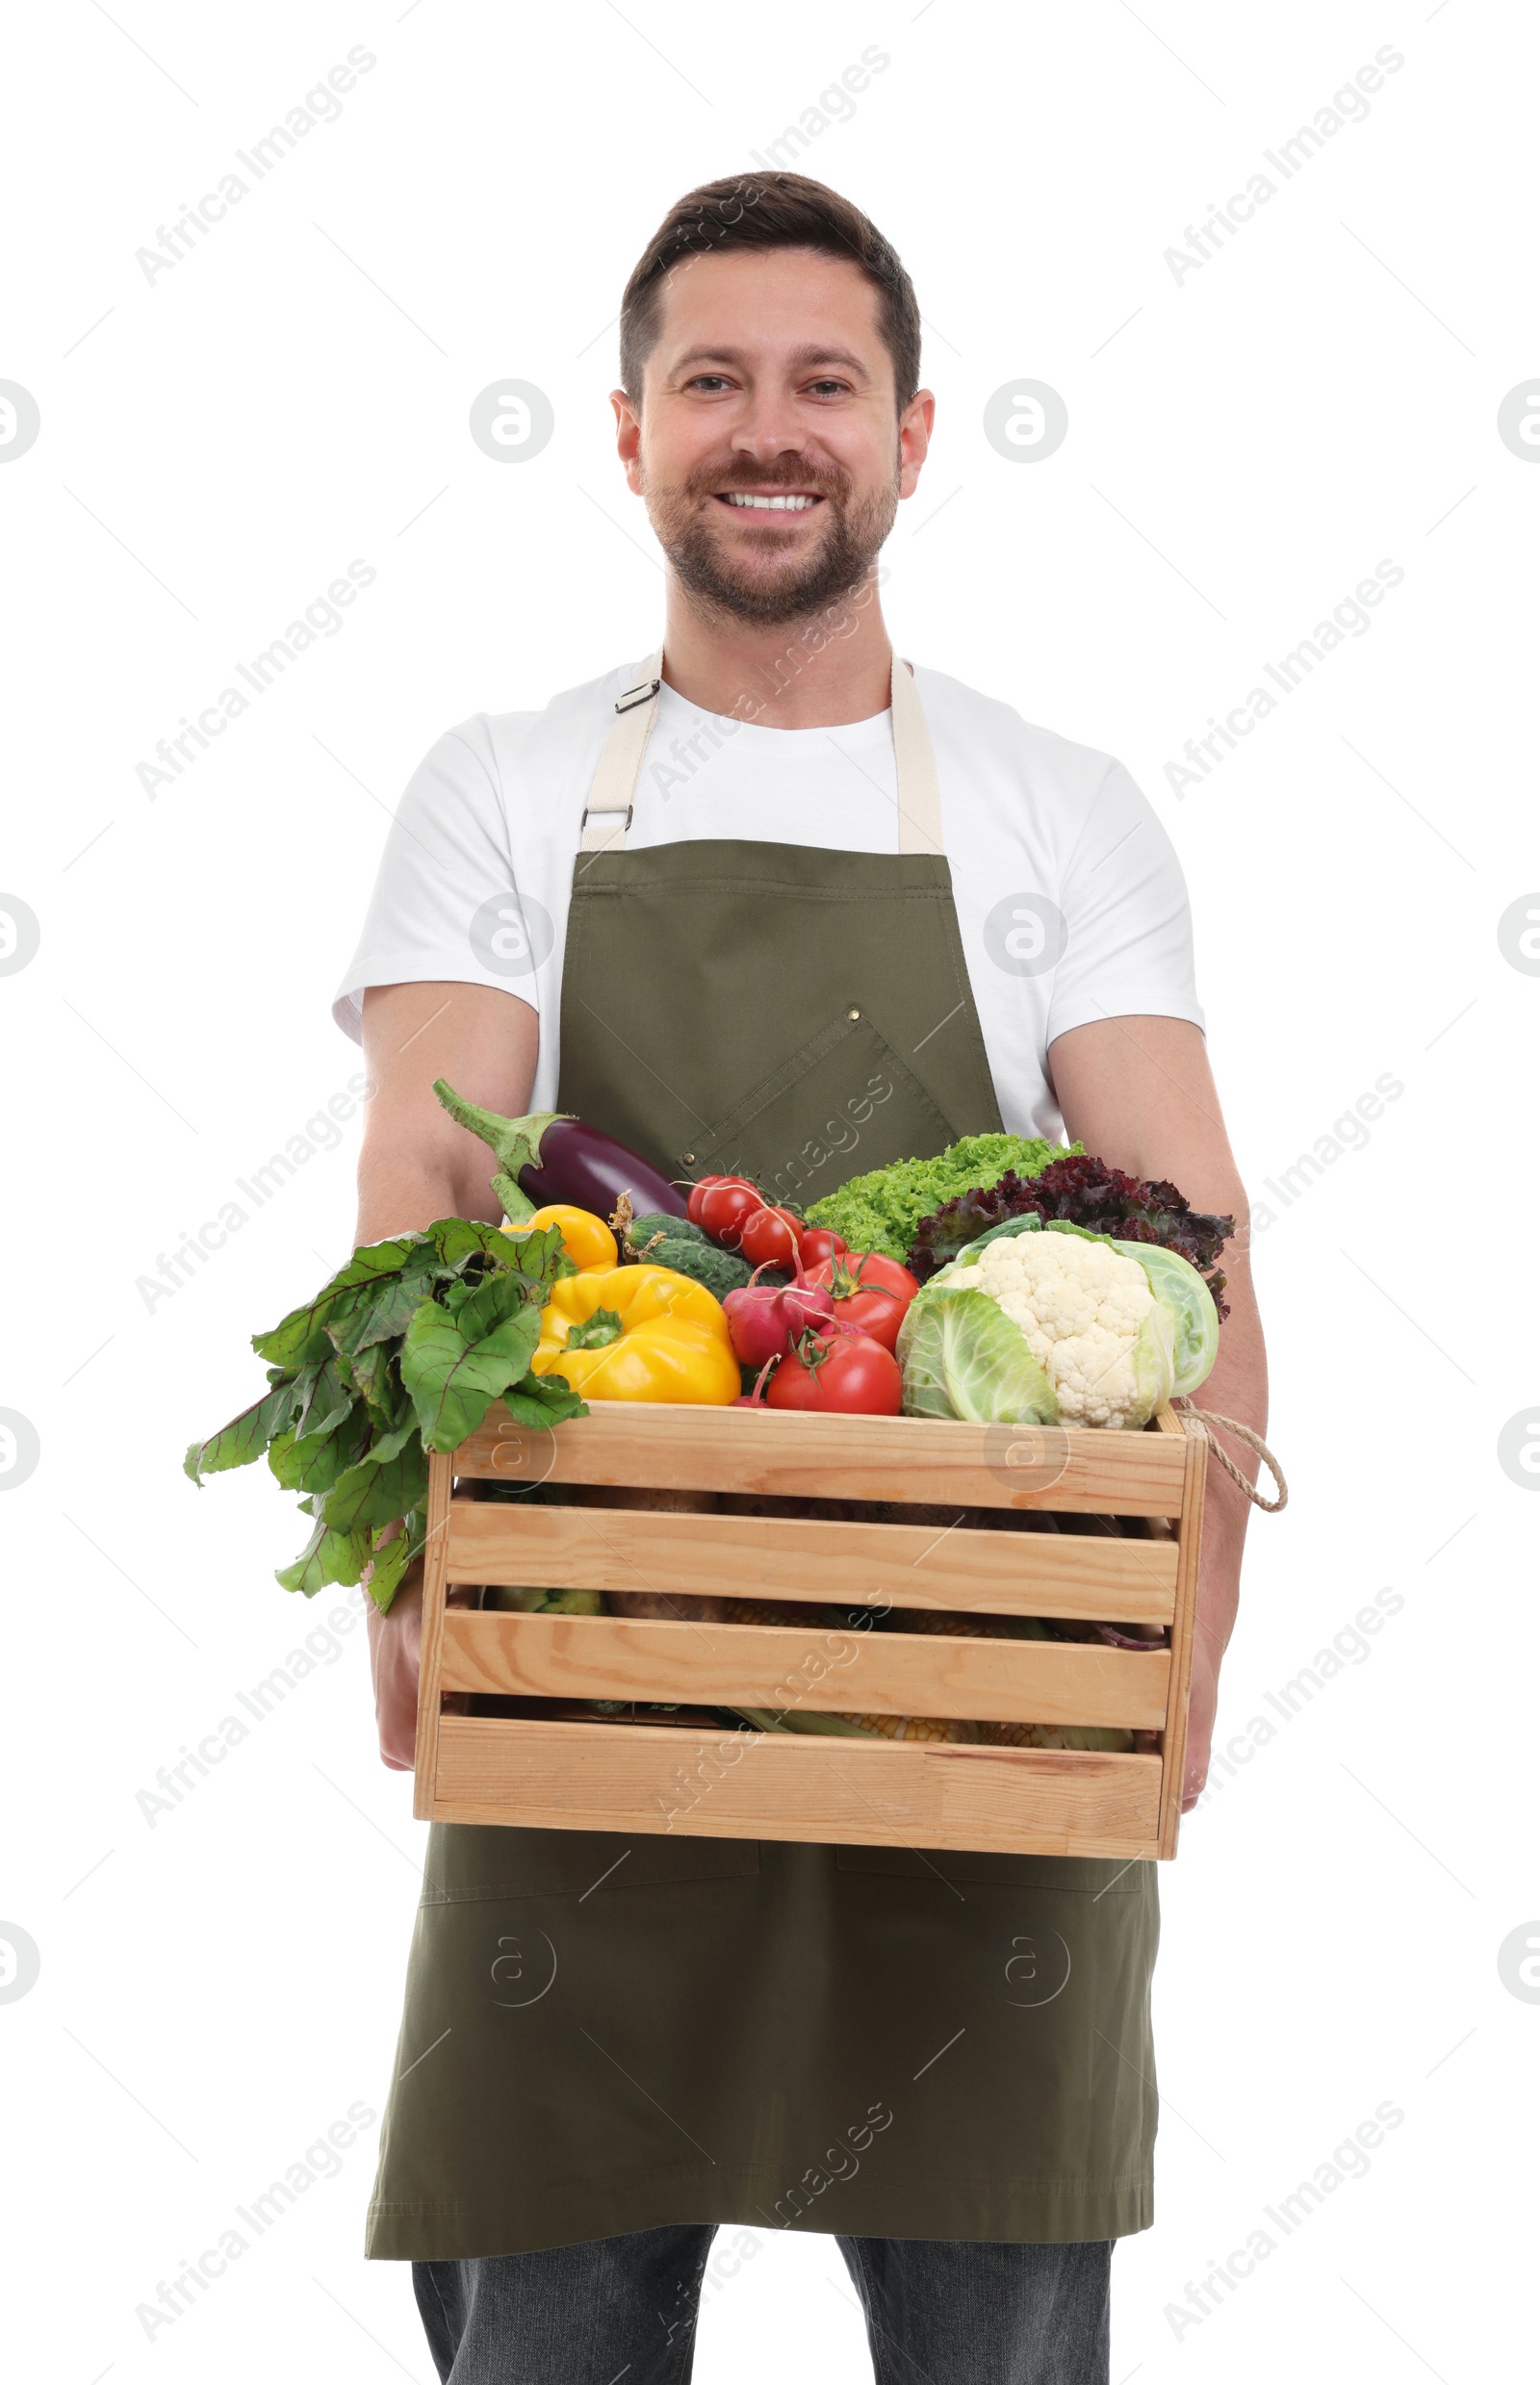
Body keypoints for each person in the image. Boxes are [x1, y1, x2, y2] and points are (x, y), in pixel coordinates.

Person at [335, 172, 1267, 2385]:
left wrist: (1180, 1649)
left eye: (823, 383)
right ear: (629, 434)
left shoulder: (1056, 804)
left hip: (986, 1696)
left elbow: (1198, 1248)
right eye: (712, 382)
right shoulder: (504, 786)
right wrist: (405, 1568)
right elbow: (415, 1205)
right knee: (545, 2329)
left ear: (914, 436)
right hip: (596, 1667)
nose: (770, 430)